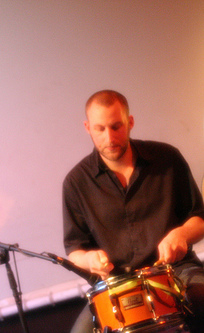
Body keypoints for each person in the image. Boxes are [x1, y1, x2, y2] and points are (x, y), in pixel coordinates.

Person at [62, 90, 204, 332]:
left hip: (175, 271)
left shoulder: (167, 158)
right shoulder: (76, 182)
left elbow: (199, 219)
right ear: (87, 127)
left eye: (116, 126)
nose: (110, 137)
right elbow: (75, 250)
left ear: (130, 122)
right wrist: (89, 259)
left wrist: (180, 234)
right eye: (100, 129)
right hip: (116, 284)